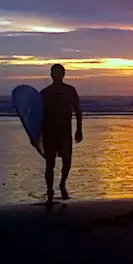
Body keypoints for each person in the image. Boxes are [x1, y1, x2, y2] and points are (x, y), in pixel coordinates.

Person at [41, 64, 82, 202]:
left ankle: (62, 183)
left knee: (67, 161)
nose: (56, 75)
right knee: (50, 163)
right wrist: (34, 135)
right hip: (49, 132)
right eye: (54, 72)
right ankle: (50, 189)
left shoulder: (69, 91)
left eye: (59, 72)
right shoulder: (45, 93)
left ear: (63, 74)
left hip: (65, 132)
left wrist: (79, 129)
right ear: (51, 74)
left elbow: (77, 110)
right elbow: (37, 115)